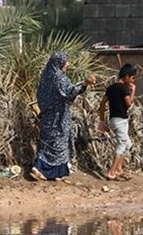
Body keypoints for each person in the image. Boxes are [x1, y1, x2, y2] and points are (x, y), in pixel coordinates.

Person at [30, 51, 97, 182]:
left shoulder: (45, 75)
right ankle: (39, 168)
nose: (68, 64)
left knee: (48, 143)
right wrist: (85, 83)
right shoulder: (59, 77)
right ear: (60, 63)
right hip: (58, 117)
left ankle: (54, 173)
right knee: (57, 144)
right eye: (66, 62)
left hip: (46, 115)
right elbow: (69, 92)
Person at [98, 63, 137, 181]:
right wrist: (133, 91)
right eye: (132, 77)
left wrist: (102, 121)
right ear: (126, 77)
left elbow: (102, 104)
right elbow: (129, 103)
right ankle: (111, 172)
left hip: (113, 120)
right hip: (120, 121)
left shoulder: (111, 88)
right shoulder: (124, 88)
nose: (132, 80)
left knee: (127, 144)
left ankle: (119, 169)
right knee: (122, 145)